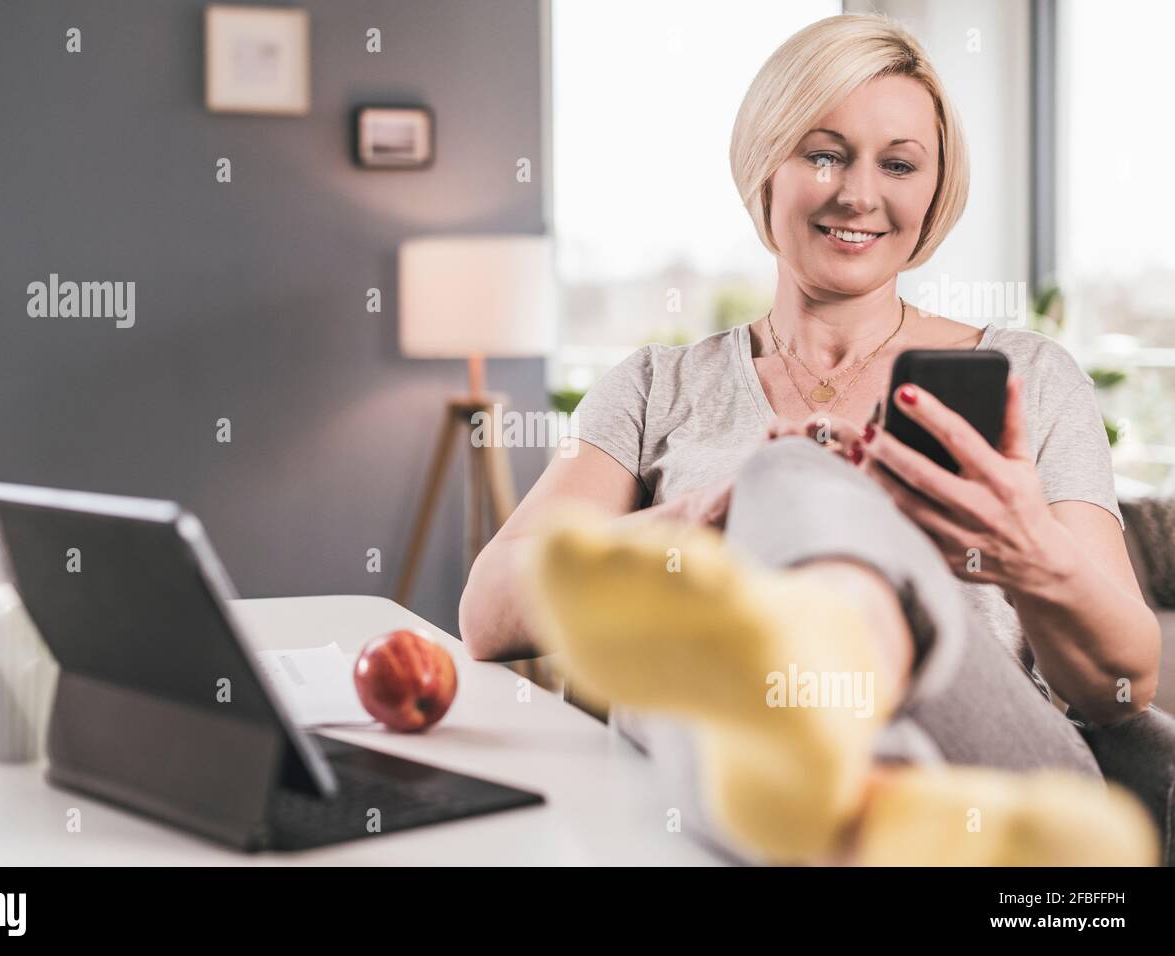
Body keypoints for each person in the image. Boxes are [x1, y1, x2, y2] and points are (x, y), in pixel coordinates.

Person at [459, 13, 1173, 865]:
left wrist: (1023, 553)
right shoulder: (657, 385)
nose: (858, 194)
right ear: (765, 166)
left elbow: (1125, 683)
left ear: (934, 190)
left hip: (991, 791)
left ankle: (834, 707)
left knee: (789, 476)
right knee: (744, 560)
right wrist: (707, 514)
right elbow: (489, 612)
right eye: (824, 153)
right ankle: (861, 800)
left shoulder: (1032, 377)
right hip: (736, 792)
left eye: (898, 164)